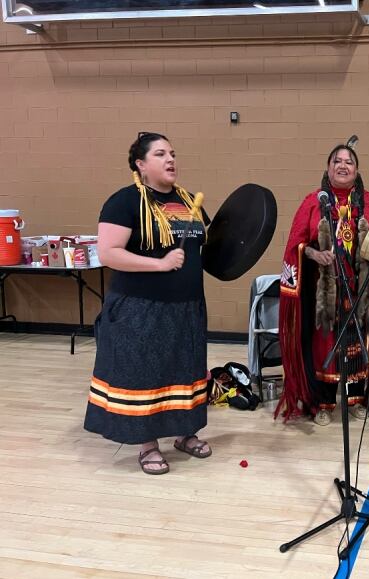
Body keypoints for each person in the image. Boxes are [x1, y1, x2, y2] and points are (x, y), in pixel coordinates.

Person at [84, 132, 211, 475]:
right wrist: (159, 264)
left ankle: (185, 434)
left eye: (172, 152)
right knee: (146, 377)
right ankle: (147, 445)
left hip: (186, 307)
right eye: (160, 154)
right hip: (140, 309)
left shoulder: (189, 202)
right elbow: (109, 253)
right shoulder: (123, 202)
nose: (170, 159)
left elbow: (211, 251)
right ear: (141, 165)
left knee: (184, 371)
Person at [275, 142, 369, 425]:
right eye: (337, 161)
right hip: (325, 289)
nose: (343, 166)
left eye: (349, 162)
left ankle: (356, 398)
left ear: (357, 171)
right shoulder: (313, 202)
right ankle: (322, 402)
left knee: (359, 343)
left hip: (361, 289)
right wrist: (313, 253)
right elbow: (295, 245)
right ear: (328, 168)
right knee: (325, 344)